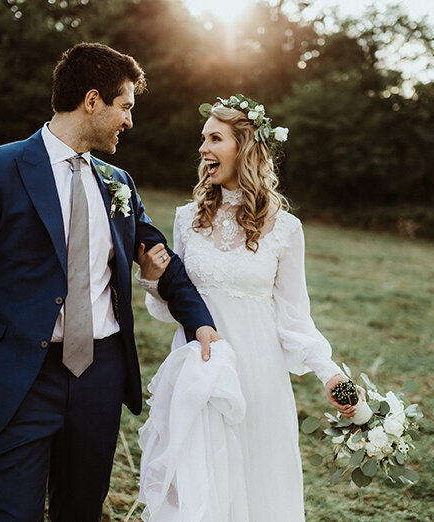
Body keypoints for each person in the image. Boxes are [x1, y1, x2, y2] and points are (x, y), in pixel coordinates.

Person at [0, 42, 219, 521]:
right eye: (125, 107)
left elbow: (160, 255)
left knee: (81, 513)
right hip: (17, 380)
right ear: (91, 101)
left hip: (99, 379)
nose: (129, 121)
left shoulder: (119, 182)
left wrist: (200, 322)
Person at [136, 95, 355, 521]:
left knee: (257, 489)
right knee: (197, 488)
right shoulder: (186, 219)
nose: (202, 149)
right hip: (199, 371)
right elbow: (172, 305)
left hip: (258, 379)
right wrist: (150, 276)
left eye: (215, 138)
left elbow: (294, 319)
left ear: (245, 148)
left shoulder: (286, 229)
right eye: (202, 139)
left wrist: (333, 376)